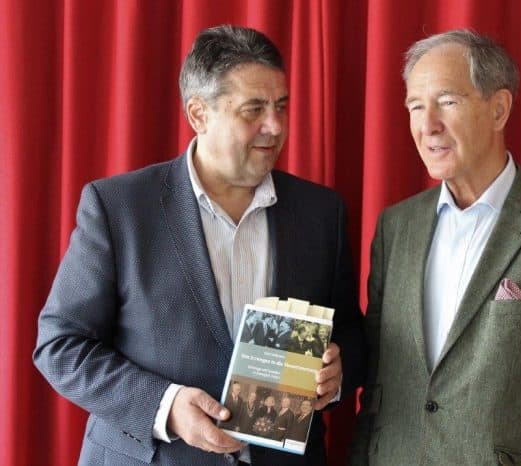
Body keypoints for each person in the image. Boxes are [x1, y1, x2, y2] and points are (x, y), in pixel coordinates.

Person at [33, 24, 365, 466]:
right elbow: (60, 345)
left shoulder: (322, 213)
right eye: (254, 110)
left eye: (281, 106)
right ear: (198, 114)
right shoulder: (119, 208)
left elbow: (351, 333)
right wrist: (164, 406)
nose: (275, 126)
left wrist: (337, 374)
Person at [349, 29, 521, 465]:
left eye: (447, 101)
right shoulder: (395, 227)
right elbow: (377, 385)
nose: (428, 126)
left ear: (499, 109)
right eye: (414, 106)